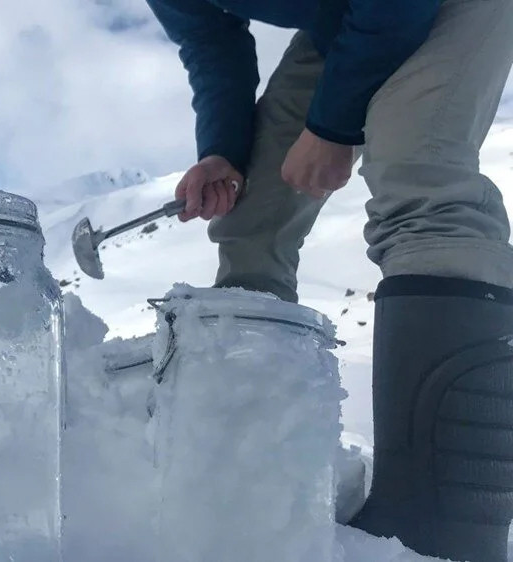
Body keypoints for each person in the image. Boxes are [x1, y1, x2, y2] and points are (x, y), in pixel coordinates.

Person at [145, 0, 513, 560]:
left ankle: (443, 522)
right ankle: (256, 467)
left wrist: (333, 126)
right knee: (251, 216)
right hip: (347, 19)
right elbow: (210, 45)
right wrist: (222, 151)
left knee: (415, 166)